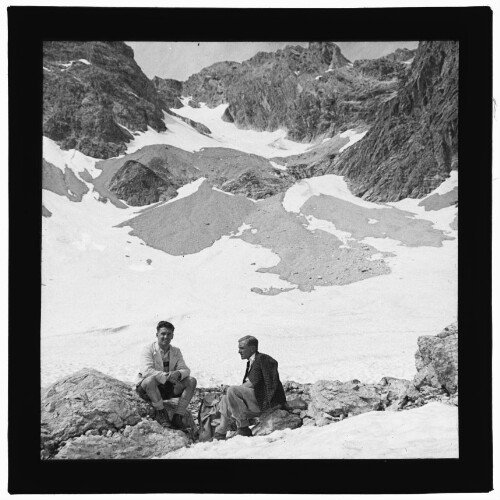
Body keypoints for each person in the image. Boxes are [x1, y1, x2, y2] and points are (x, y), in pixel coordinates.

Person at [214, 335, 286, 440]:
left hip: (266, 402)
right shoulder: (252, 361)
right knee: (226, 396)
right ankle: (222, 429)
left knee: (231, 390)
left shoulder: (263, 358)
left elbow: (253, 383)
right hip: (257, 399)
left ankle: (243, 427)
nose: (239, 351)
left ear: (252, 348)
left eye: (242, 348)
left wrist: (232, 389)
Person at [135, 321, 197, 429]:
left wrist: (178, 373)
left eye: (169, 334)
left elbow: (185, 369)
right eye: (163, 333)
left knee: (191, 381)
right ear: (157, 334)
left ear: (172, 336)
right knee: (150, 380)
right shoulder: (148, 349)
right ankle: (161, 413)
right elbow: (147, 371)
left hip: (165, 388)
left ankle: (178, 417)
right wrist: (168, 377)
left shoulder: (176, 351)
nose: (165, 337)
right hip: (148, 388)